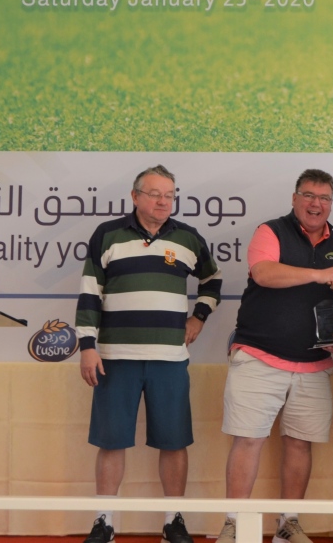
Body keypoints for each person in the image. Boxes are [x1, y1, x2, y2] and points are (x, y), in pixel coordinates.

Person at [216, 169, 333, 543]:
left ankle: (288, 524)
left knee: (300, 443)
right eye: (309, 195)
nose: (316, 204)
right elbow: (264, 273)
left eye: (324, 197)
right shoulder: (270, 231)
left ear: (331, 203)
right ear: (295, 198)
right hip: (259, 356)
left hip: (314, 364)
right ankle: (234, 524)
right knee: (248, 440)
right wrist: (319, 275)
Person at [76, 165, 222, 543]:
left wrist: (199, 317)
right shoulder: (107, 234)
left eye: (169, 195)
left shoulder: (188, 237)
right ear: (135, 196)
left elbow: (213, 280)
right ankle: (104, 522)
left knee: (174, 441)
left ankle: (174, 522)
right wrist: (87, 347)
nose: (163, 201)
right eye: (155, 194)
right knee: (111, 441)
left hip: (169, 358)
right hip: (115, 357)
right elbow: (90, 291)